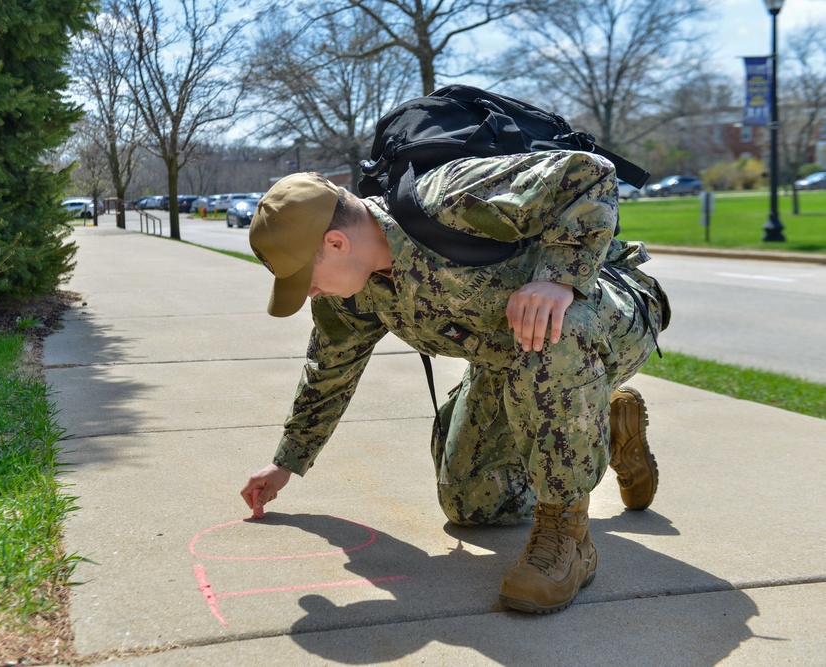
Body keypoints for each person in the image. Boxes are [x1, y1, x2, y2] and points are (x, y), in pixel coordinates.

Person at [240, 151, 670, 614]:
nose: (308, 291)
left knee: (551, 332)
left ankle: (567, 535)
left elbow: (590, 172)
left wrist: (558, 279)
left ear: (338, 243)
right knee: (472, 504)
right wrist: (286, 462)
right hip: (513, 361)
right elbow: (329, 372)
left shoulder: (450, 198)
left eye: (306, 276)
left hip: (604, 313)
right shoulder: (352, 295)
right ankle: (602, 423)